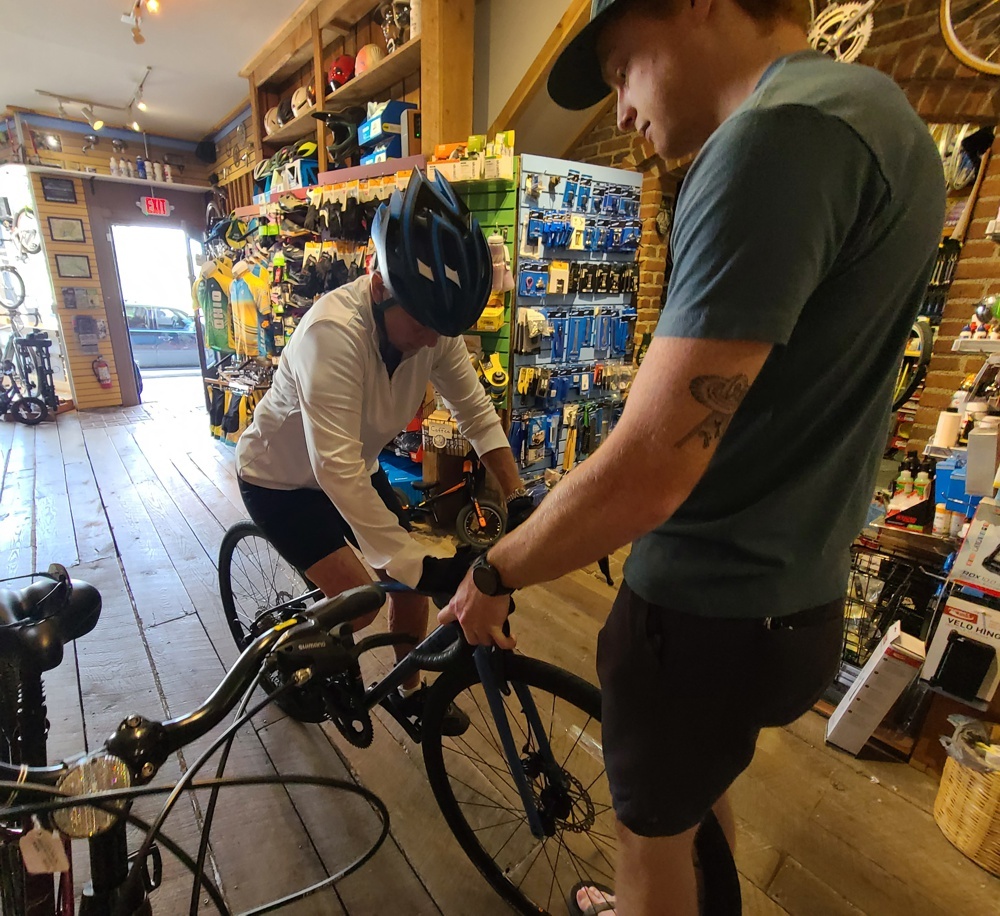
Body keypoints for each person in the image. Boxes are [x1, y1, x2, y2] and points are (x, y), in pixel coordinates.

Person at [441, 0, 945, 913]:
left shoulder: (771, 141)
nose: (622, 108)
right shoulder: (883, 118)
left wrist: (495, 568)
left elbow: (649, 467)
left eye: (622, 63)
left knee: (649, 848)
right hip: (798, 600)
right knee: (692, 810)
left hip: (698, 609)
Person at [235, 169, 530, 734]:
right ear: (378, 287)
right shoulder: (332, 334)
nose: (431, 339)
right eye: (421, 322)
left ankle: (407, 694)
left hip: (350, 465)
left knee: (407, 582)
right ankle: (291, 653)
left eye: (442, 326)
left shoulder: (432, 331)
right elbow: (334, 469)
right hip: (280, 480)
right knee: (366, 599)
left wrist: (517, 494)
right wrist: (419, 564)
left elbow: (475, 412)